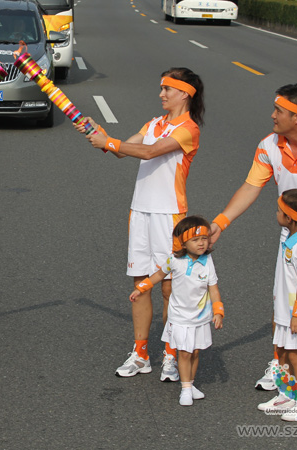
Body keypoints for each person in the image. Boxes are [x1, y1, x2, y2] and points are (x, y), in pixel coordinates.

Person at [209, 84, 297, 395]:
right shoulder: (269, 145)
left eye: (279, 111)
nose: (272, 116)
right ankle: (282, 363)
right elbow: (251, 186)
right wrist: (221, 222)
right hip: (294, 232)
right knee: (284, 299)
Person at [74, 68, 204, 382]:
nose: (161, 94)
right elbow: (122, 150)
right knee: (140, 284)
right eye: (161, 88)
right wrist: (99, 134)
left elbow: (148, 151)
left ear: (185, 93)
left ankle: (172, 355)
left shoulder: (188, 129)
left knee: (170, 287)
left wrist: (111, 142)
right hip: (140, 212)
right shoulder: (154, 123)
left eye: (167, 89)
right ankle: (141, 353)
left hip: (169, 215)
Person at [130, 217, 224, 406]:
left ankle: (191, 383)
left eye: (204, 238)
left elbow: (213, 287)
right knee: (184, 353)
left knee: (196, 352)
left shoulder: (207, 261)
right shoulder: (174, 260)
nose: (201, 243)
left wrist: (218, 310)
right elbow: (158, 275)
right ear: (183, 242)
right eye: (196, 240)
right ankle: (186, 388)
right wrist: (141, 288)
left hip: (200, 317)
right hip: (180, 317)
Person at [256, 190, 297, 422]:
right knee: (282, 353)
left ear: (289, 217)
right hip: (285, 310)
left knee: (296, 357)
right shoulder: (289, 237)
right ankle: (286, 395)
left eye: (279, 211)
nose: (276, 213)